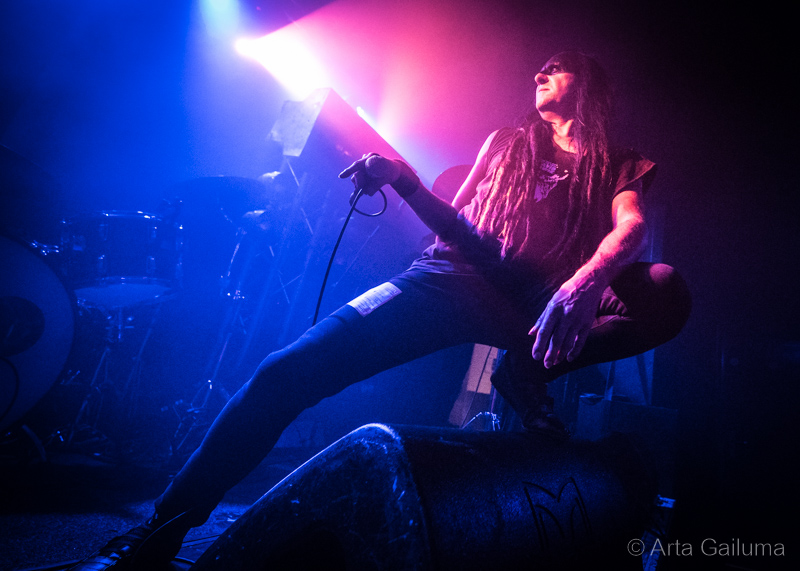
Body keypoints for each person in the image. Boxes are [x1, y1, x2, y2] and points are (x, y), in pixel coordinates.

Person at [71, 51, 691, 570]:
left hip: (537, 301)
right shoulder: (506, 143)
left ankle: (526, 369)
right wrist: (404, 179)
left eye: (557, 67)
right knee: (285, 374)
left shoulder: (617, 162)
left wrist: (583, 285)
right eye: (540, 67)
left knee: (663, 290)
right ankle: (161, 529)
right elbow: (457, 223)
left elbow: (631, 228)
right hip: (448, 280)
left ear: (592, 87)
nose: (539, 73)